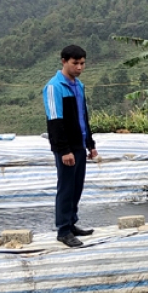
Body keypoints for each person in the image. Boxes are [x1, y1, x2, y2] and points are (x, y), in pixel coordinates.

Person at [44, 44, 98, 247]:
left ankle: (72, 222)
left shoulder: (79, 85)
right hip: (66, 147)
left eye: (82, 63)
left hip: (79, 144)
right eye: (75, 63)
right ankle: (63, 230)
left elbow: (83, 117)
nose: (80, 67)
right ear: (64, 61)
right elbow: (54, 121)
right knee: (66, 188)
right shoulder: (54, 87)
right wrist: (64, 150)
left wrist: (90, 143)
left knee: (77, 187)